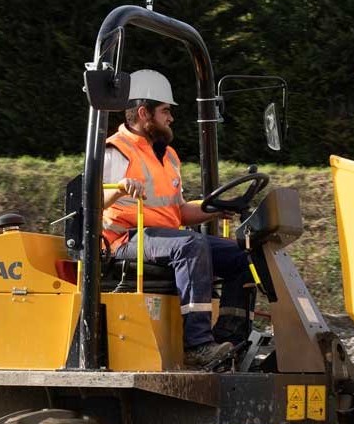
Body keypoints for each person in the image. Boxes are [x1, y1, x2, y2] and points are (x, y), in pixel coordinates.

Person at [101, 69, 251, 371]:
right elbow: (90, 202)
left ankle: (230, 338)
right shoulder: (116, 150)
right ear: (144, 113)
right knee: (192, 245)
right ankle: (197, 346)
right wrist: (119, 189)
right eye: (166, 111)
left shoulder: (168, 156)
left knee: (242, 255)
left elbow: (178, 211)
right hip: (126, 240)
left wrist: (214, 209)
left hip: (165, 238)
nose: (170, 118)